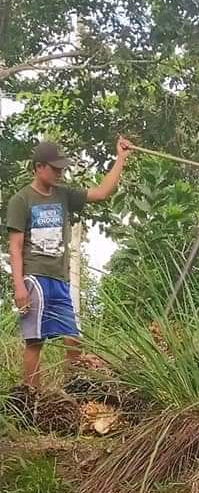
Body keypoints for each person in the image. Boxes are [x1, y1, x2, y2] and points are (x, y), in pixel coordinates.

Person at [6, 136, 133, 389]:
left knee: (73, 339)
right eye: (55, 168)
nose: (60, 173)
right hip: (35, 278)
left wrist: (121, 158)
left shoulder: (64, 195)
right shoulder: (21, 200)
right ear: (39, 167)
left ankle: (73, 394)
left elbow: (101, 192)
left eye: (62, 168)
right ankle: (33, 399)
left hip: (60, 279)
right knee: (35, 341)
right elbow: (15, 247)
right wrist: (19, 287)